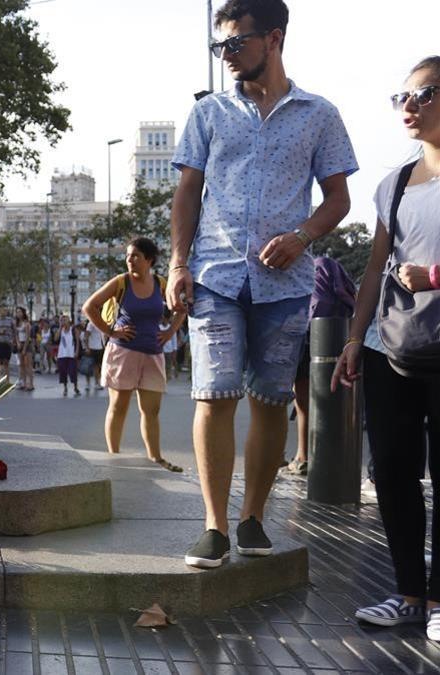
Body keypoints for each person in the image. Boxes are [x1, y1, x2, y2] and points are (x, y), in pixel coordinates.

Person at [167, 0, 357, 569]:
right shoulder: (208, 114)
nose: (225, 55)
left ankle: (252, 518)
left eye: (235, 43)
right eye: (218, 46)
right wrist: (178, 265)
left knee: (272, 402)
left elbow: (339, 199)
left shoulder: (319, 114)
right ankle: (213, 526)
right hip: (217, 275)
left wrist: (301, 236)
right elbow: (186, 194)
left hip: (287, 283)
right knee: (213, 394)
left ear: (273, 39)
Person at [335, 56, 440, 639]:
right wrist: (355, 339)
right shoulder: (392, 183)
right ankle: (409, 594)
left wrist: (434, 276)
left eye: (423, 95)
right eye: (402, 97)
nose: (409, 106)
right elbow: (375, 268)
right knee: (393, 470)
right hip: (391, 345)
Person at [83, 238, 185, 472]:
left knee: (151, 411)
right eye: (129, 256)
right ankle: (114, 457)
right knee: (118, 407)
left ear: (149, 260)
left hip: (152, 354)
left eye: (136, 256)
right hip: (123, 353)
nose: (130, 260)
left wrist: (170, 332)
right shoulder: (121, 282)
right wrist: (111, 331)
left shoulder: (161, 284)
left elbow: (181, 308)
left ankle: (156, 458)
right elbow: (89, 306)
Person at [284, 257, 355, 476]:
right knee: (317, 401)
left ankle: (294, 456)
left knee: (291, 401)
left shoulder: (301, 269)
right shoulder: (327, 265)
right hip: (330, 336)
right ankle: (314, 457)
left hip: (300, 334)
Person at [55, 315, 80, 397]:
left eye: (65, 320)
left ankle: (75, 387)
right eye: (62, 320)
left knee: (73, 371)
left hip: (71, 354)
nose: (63, 322)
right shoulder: (61, 330)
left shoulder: (73, 329)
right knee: (63, 372)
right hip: (62, 354)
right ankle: (65, 388)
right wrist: (59, 327)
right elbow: (55, 339)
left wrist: (76, 351)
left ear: (69, 320)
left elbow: (77, 341)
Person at [13, 307, 35, 391]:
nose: (18, 314)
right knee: (21, 365)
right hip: (20, 344)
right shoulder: (17, 323)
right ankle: (23, 383)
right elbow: (16, 334)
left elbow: (28, 336)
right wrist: (18, 343)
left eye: (20, 312)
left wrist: (24, 348)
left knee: (28, 365)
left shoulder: (27, 324)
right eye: (17, 312)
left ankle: (31, 384)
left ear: (23, 313)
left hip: (26, 344)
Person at [160, 312, 179, 381]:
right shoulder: (159, 327)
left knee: (168, 367)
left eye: (166, 319)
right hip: (161, 351)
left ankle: (166, 380)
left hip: (169, 350)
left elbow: (174, 341)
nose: (164, 321)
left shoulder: (171, 328)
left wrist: (174, 351)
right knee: (161, 367)